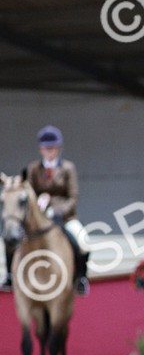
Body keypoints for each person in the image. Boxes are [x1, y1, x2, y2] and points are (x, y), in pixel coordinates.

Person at [1, 126, 90, 296]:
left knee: (83, 241)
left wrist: (56, 210)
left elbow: (73, 197)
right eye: (46, 148)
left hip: (64, 217)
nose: (50, 151)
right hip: (39, 217)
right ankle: (10, 276)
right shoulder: (33, 169)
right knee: (10, 235)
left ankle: (81, 278)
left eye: (53, 148)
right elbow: (28, 194)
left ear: (58, 148)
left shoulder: (68, 168)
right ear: (40, 149)